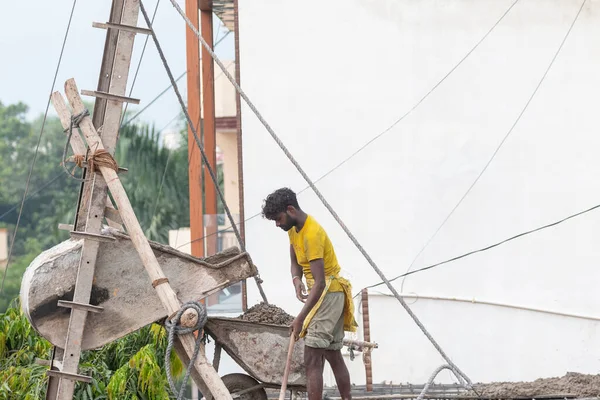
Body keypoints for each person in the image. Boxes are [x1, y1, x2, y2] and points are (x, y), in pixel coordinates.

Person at [261, 187, 358, 400]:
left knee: (312, 358)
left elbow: (320, 283)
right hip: (325, 295)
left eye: (278, 219)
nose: (277, 224)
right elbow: (294, 261)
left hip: (329, 295)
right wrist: (296, 279)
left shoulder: (312, 234)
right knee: (333, 354)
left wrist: (300, 319)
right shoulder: (294, 230)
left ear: (290, 210)